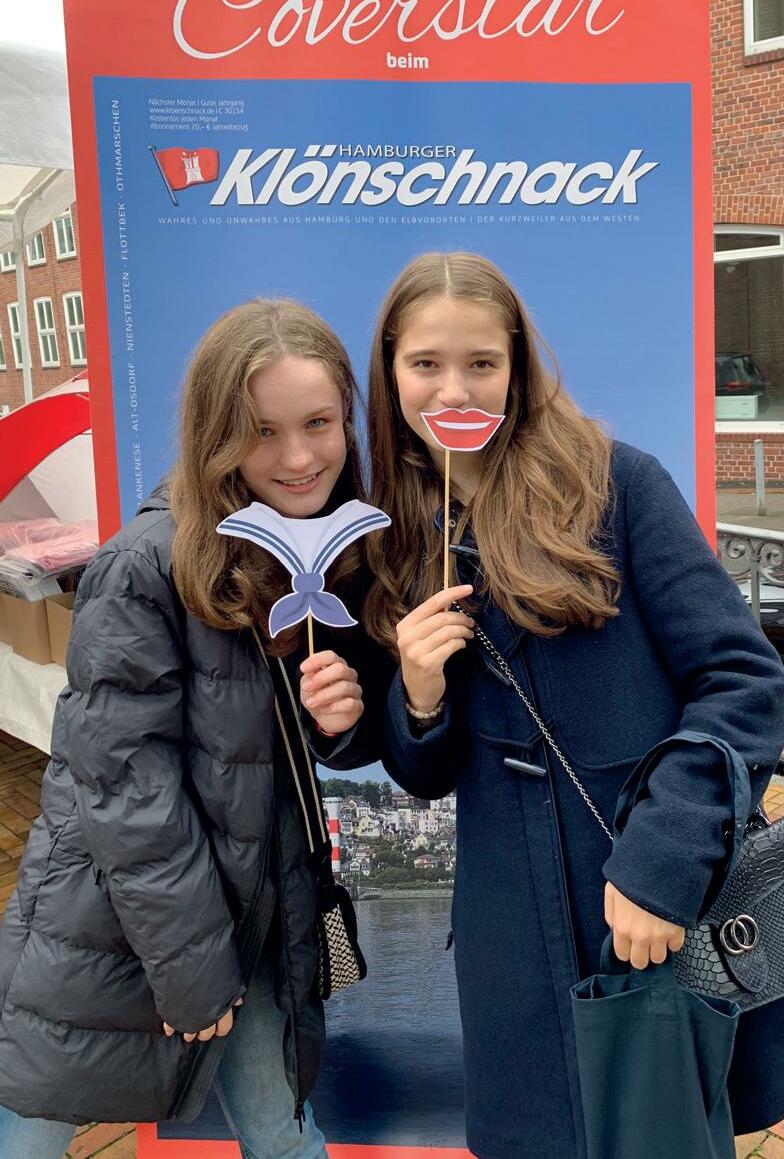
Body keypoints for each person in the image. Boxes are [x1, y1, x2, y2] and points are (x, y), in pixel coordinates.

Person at [362, 251, 784, 1158]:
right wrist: (419, 698)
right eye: (426, 363)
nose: (453, 389)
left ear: (517, 366)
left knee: (660, 1139)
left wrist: (663, 860)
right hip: (509, 949)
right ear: (390, 369)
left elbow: (745, 680)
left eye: (481, 362)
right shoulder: (392, 535)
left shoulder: (619, 487)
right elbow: (422, 770)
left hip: (645, 916)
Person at [0, 298, 376, 1159]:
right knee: (32, 1126)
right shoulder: (144, 563)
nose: (297, 456)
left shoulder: (319, 547)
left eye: (317, 423)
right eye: (262, 431)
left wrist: (335, 720)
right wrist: (193, 966)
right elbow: (125, 784)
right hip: (113, 920)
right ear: (216, 432)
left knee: (284, 1132)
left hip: (252, 910)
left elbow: (266, 748)